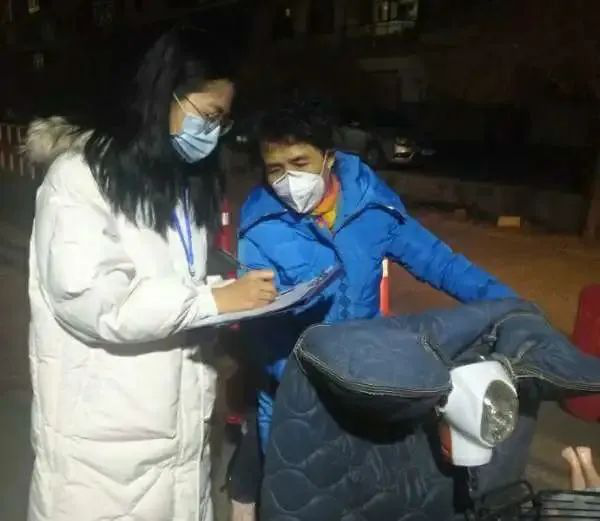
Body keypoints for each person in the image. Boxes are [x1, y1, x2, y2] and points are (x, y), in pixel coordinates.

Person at [25, 27, 277, 521]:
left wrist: (226, 304)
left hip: (179, 446)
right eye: (209, 116)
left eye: (222, 122)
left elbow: (174, 288)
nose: (213, 133)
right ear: (165, 95)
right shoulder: (78, 180)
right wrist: (212, 302)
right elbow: (98, 303)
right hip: (101, 460)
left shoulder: (179, 188)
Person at [232, 97, 517, 511]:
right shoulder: (260, 226)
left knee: (365, 495)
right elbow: (261, 332)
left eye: (299, 162)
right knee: (301, 502)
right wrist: (315, 377)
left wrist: (510, 304)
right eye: (275, 168)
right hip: (294, 396)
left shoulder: (372, 205)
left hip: (366, 383)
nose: (288, 179)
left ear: (329, 157)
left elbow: (440, 263)